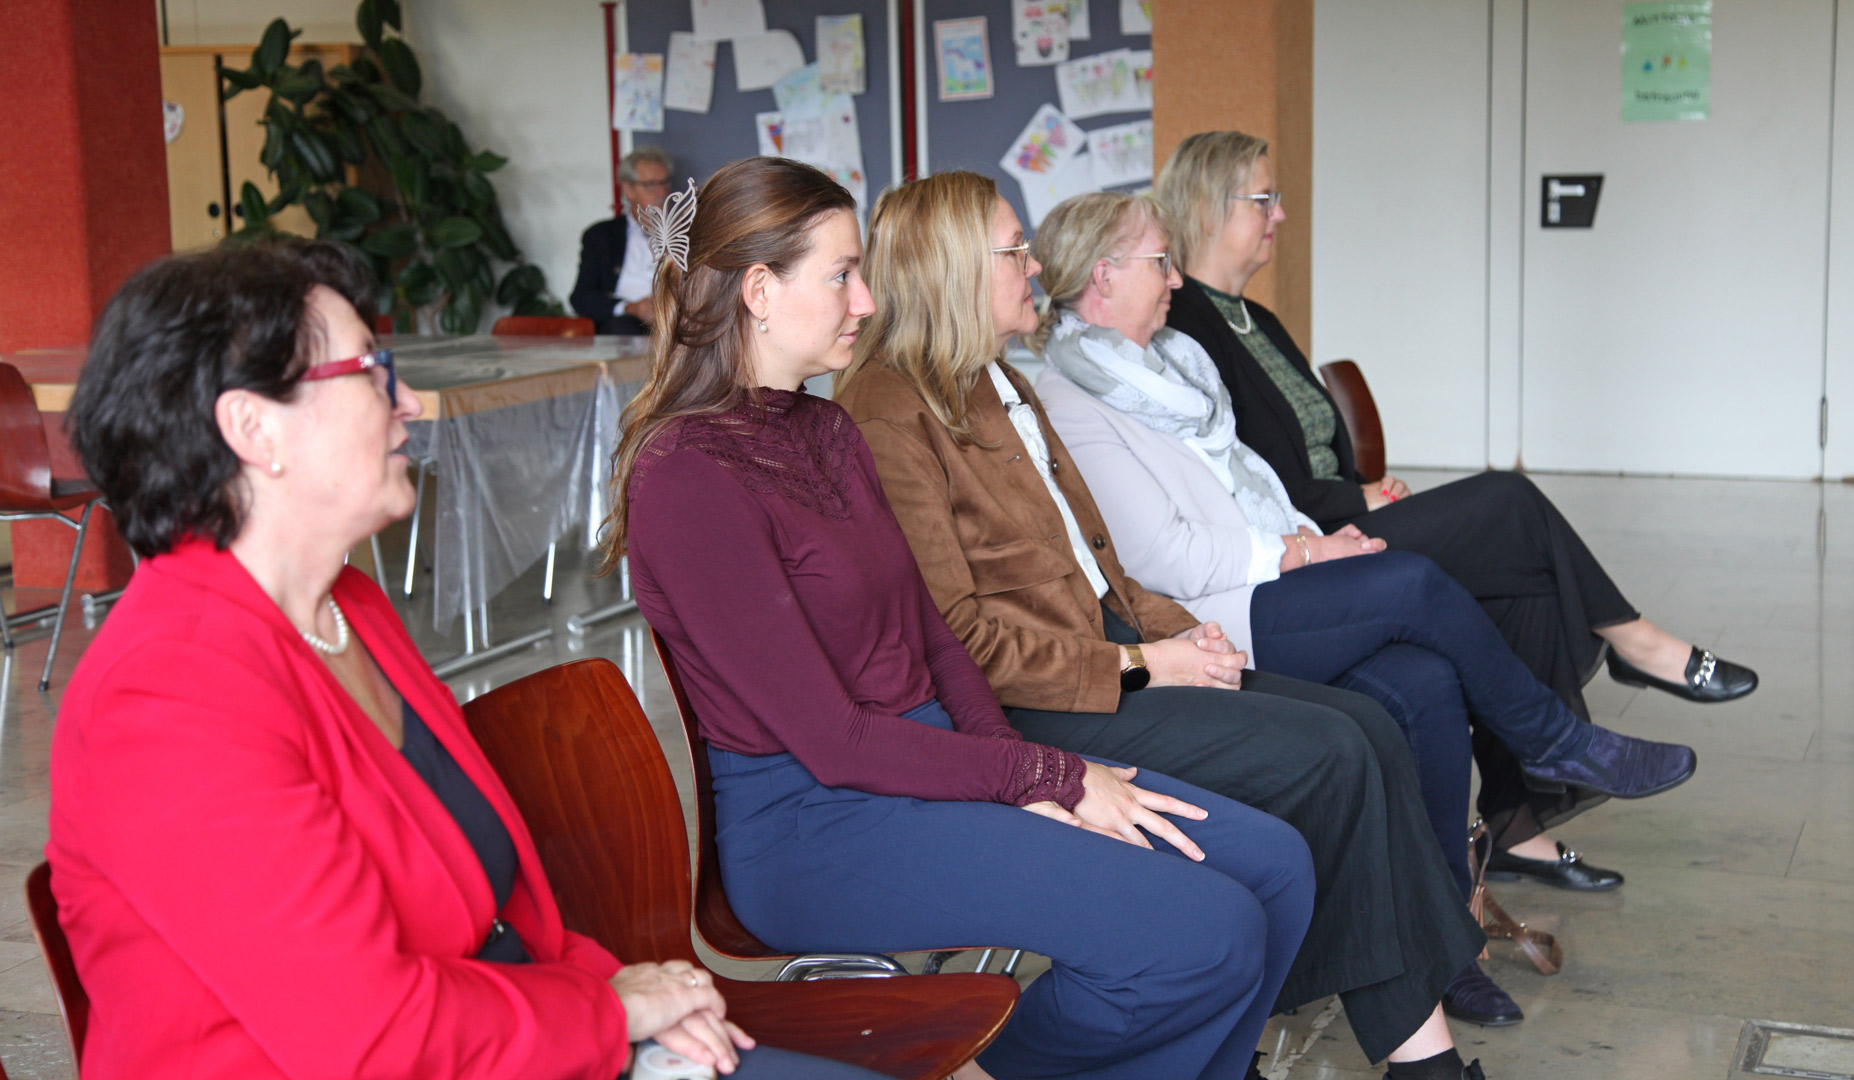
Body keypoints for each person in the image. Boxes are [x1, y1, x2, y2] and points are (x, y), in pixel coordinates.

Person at [50, 240, 884, 1080]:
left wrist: (616, 988)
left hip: (504, 1037)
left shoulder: (347, 605)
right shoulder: (168, 694)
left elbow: (503, 913)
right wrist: (614, 1012)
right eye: (372, 373)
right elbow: (369, 1037)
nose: (408, 402)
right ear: (253, 428)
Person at [608, 156, 1315, 1080]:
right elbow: (833, 742)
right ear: (758, 292)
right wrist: (1048, 773)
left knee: (1274, 865)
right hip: (818, 825)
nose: (867, 301)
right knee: (1205, 934)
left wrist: (1020, 776)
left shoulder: (826, 429)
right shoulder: (686, 478)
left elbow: (937, 639)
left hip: (929, 766)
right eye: (841, 275)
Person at [836, 171, 1521, 1080]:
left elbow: (1103, 567)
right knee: (1334, 752)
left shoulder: (999, 381)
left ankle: (1393, 1046)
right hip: (1040, 703)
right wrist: (1140, 662)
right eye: (1014, 250)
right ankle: (1408, 1055)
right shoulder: (890, 411)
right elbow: (960, 639)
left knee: (1367, 724)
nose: (1034, 266)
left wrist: (1184, 636)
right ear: (954, 268)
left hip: (1107, 660)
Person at [1026, 190, 1704, 1025]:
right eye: (1160, 262)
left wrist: (1315, 537)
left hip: (1268, 573)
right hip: (1210, 615)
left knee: (1424, 679)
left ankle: (1445, 941)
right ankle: (1556, 740)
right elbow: (1161, 556)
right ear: (1103, 275)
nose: (1174, 280)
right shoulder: (1071, 398)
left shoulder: (1172, 366)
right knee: (1413, 583)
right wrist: (1306, 552)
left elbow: (1248, 490)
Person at [1155, 129, 1757, 886]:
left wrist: (1364, 487)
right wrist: (1356, 496)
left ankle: (1515, 825)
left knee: (1526, 587)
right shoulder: (1187, 326)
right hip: (1308, 538)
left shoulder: (1257, 319)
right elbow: (1244, 478)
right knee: (1509, 500)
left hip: (1342, 511)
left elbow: (1309, 447)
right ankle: (1634, 644)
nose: (1280, 214)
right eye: (1264, 199)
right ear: (1209, 206)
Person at [572, 145, 675, 334]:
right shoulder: (601, 236)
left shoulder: (689, 233)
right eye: (651, 185)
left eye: (665, 183)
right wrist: (630, 308)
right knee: (623, 329)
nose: (662, 193)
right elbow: (582, 298)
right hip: (627, 324)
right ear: (628, 190)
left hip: (677, 319)